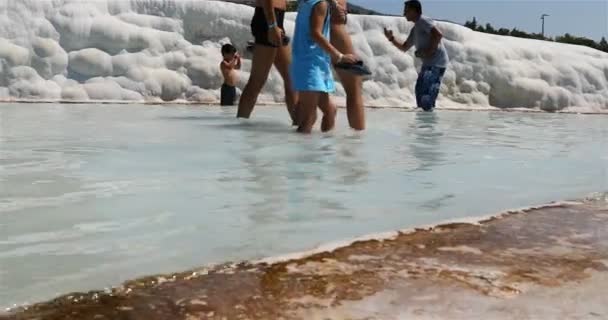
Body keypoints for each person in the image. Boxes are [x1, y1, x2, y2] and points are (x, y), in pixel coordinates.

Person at [291, 0, 357, 134]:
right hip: (310, 64)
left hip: (315, 63)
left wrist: (334, 5)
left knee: (330, 111)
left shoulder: (307, 3)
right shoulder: (320, 4)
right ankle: (299, 154)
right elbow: (315, 34)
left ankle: (324, 151)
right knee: (309, 118)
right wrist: (339, 56)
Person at [237, 0, 297, 123]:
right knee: (257, 81)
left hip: (276, 17)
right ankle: (240, 125)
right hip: (269, 19)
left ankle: (299, 125)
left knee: (292, 78)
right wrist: (272, 25)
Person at [384, 0, 449, 111]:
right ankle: (425, 121)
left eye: (406, 10)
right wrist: (391, 39)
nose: (404, 13)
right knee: (420, 90)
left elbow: (438, 34)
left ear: (414, 11)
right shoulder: (415, 29)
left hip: (437, 63)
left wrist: (429, 51)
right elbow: (404, 47)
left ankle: (428, 120)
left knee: (425, 93)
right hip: (429, 64)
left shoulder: (423, 20)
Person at [329, 0, 366, 130]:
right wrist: (333, 3)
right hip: (333, 24)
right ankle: (357, 141)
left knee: (308, 87)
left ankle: (301, 134)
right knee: (354, 86)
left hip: (324, 22)